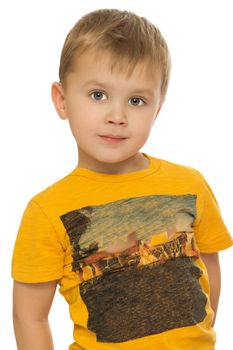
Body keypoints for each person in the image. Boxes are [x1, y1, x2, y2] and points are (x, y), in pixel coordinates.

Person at [12, 8, 232, 350]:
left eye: (136, 100)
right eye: (98, 95)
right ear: (62, 100)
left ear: (157, 108)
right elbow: (30, 317)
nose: (117, 116)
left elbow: (209, 269)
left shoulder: (190, 184)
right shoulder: (46, 210)